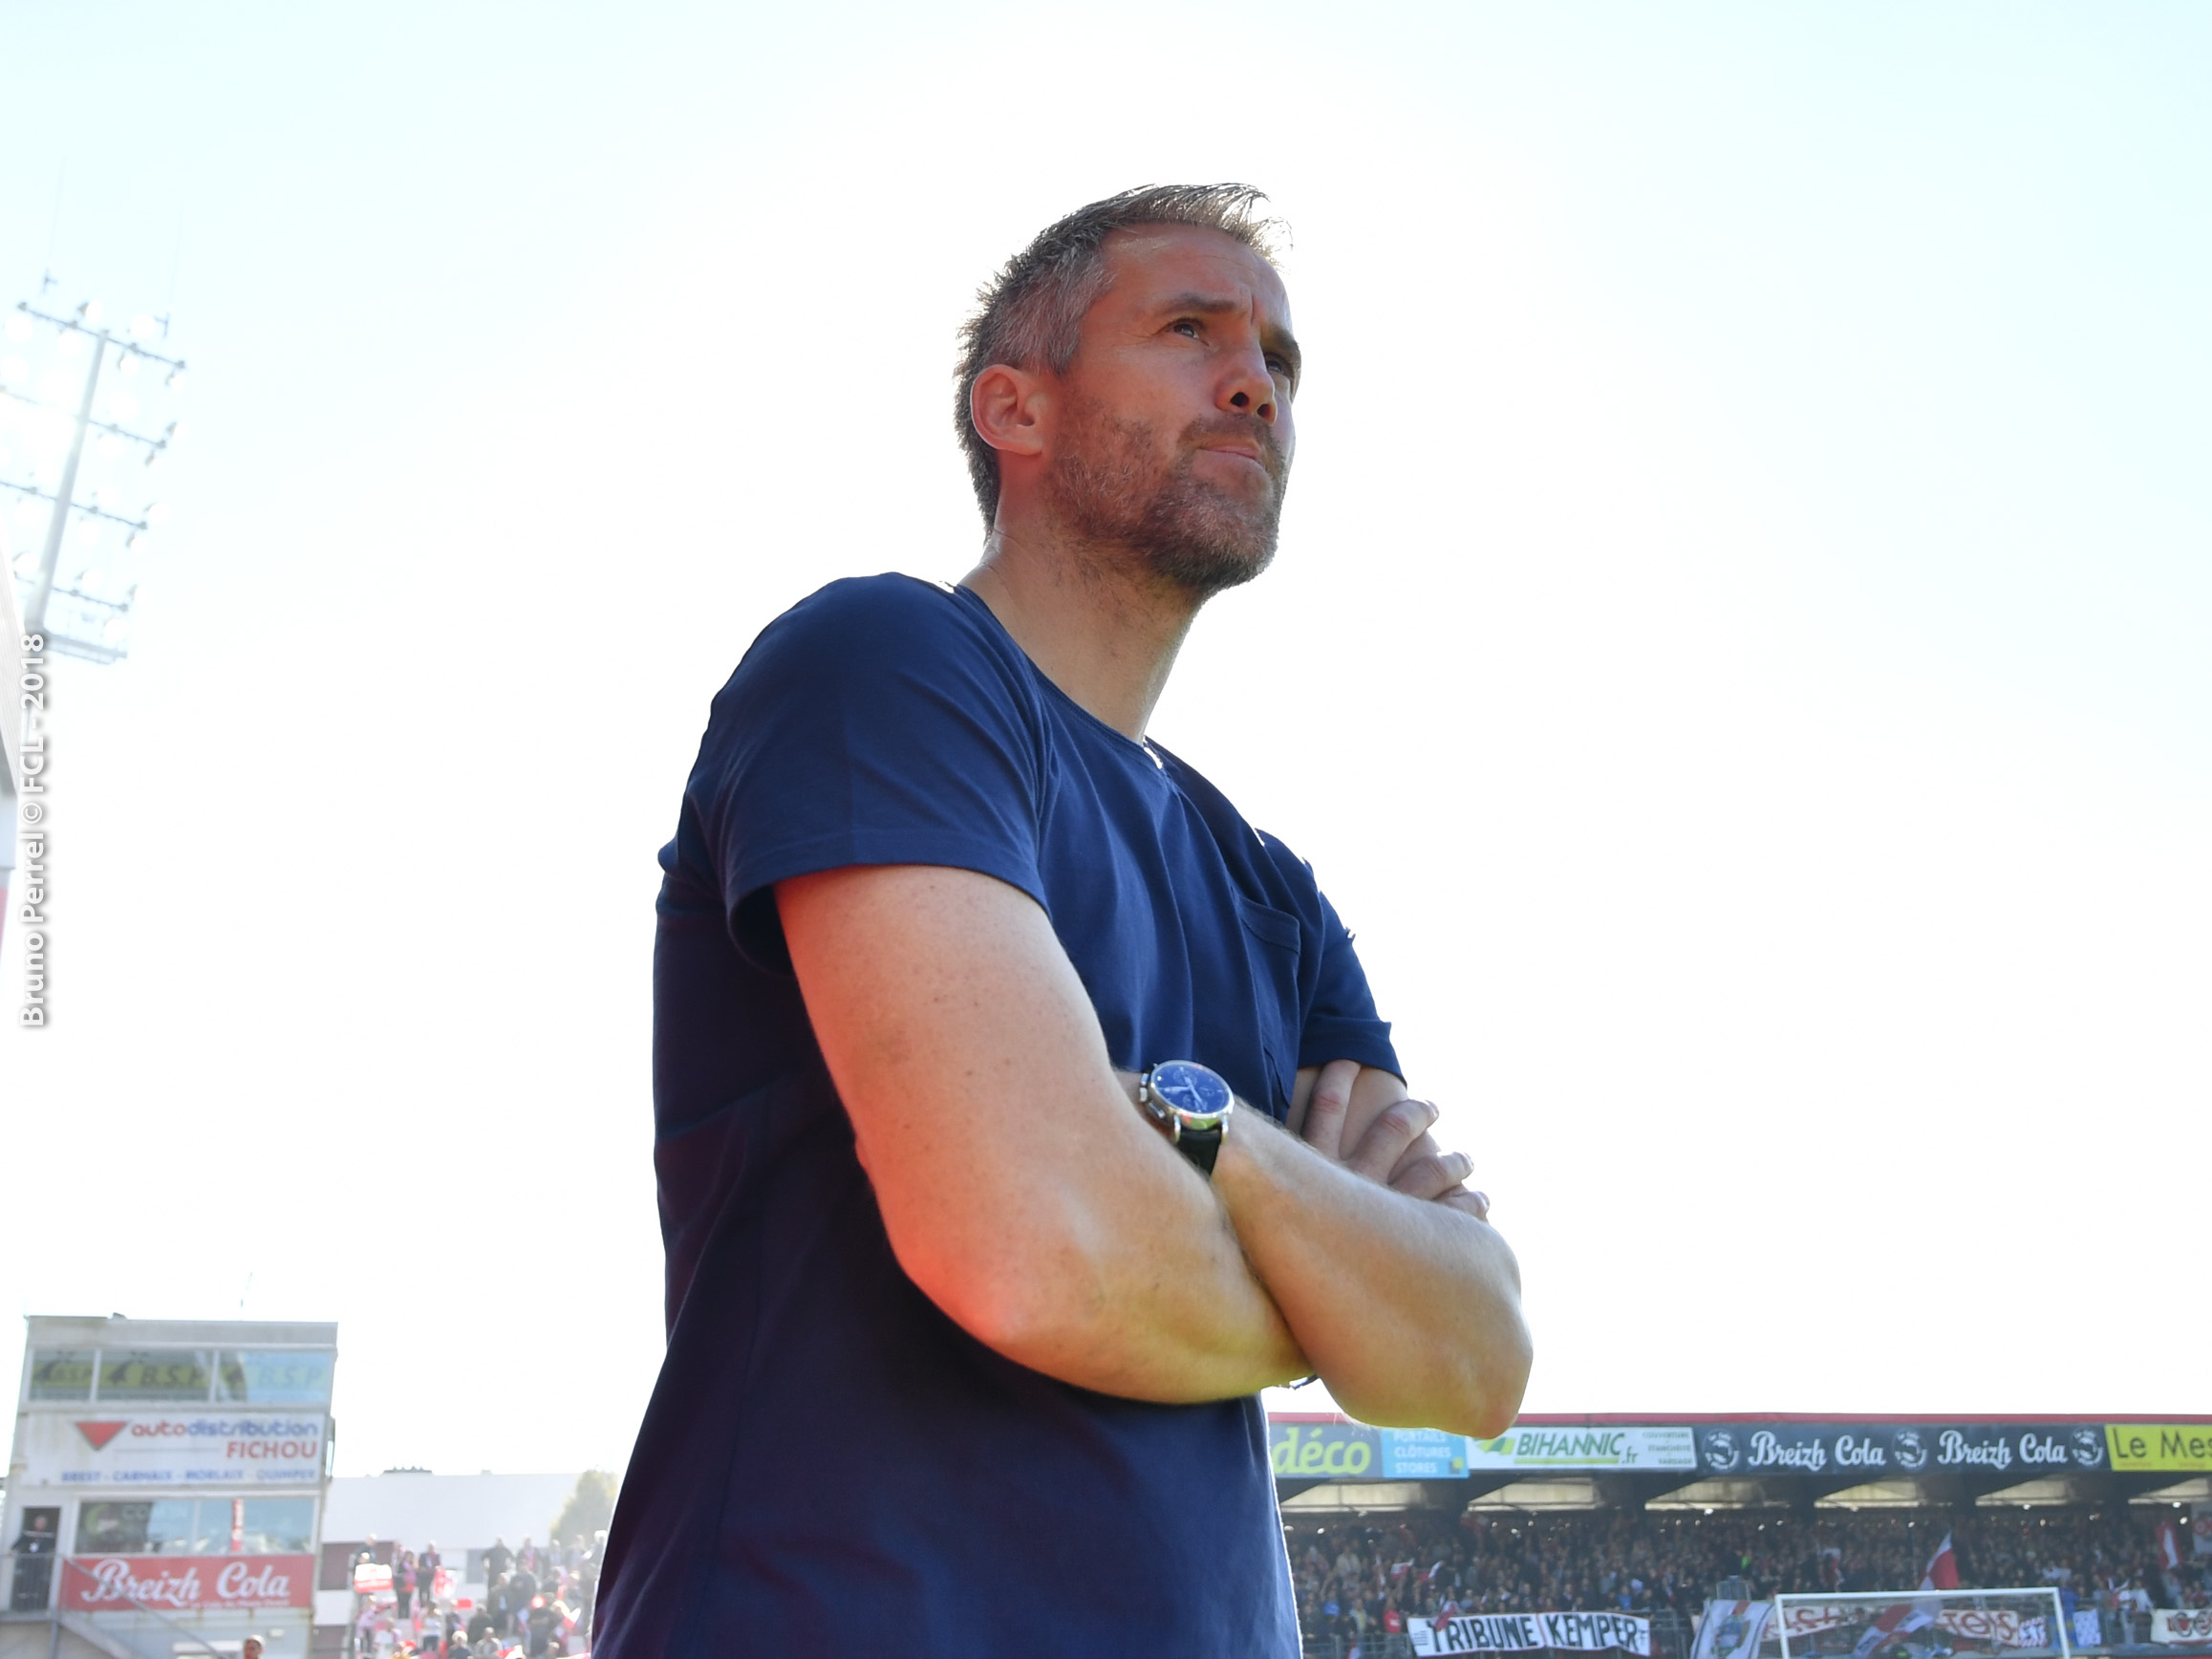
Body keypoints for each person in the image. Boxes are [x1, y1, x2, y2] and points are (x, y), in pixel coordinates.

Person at [591, 183, 1530, 1658]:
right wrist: (1332, 1290)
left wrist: (1204, 1136)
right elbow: (1042, 1251)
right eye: (1190, 329)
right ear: (1014, 408)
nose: (1254, 383)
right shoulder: (883, 665)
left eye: (1280, 358)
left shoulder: (1271, 886)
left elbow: (1471, 1361)